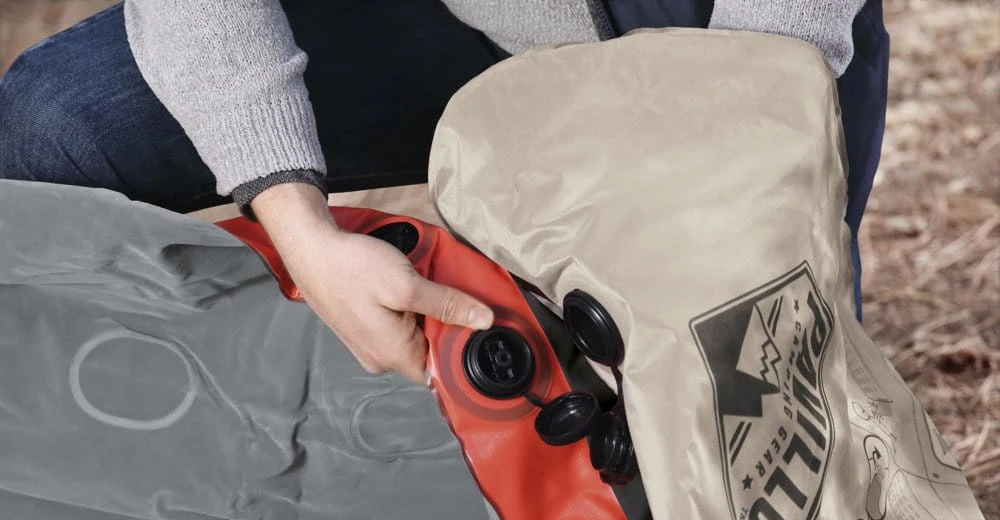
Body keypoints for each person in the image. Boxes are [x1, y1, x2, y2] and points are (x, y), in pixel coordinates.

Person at [0, 0, 883, 384]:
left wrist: (720, 175)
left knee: (746, 398)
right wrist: (302, 232)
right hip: (481, 21)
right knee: (56, 120)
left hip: (731, 33)